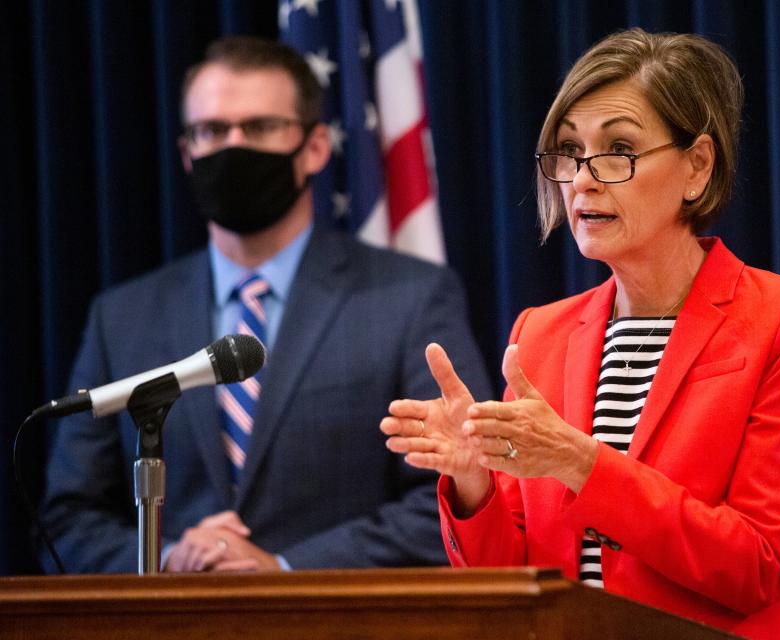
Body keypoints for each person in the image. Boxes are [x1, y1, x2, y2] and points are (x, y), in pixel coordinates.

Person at [381, 28, 780, 639]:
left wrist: (581, 463)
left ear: (696, 167)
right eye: (569, 152)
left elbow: (752, 566)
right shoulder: (540, 334)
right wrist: (474, 481)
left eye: (618, 149)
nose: (581, 180)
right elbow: (513, 580)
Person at [41, 36, 490, 574]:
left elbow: (457, 495)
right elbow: (68, 516)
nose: (233, 147)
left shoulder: (410, 298)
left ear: (316, 147)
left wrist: (282, 568)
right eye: (211, 131)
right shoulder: (122, 318)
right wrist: (164, 561)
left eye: (259, 128)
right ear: (187, 152)